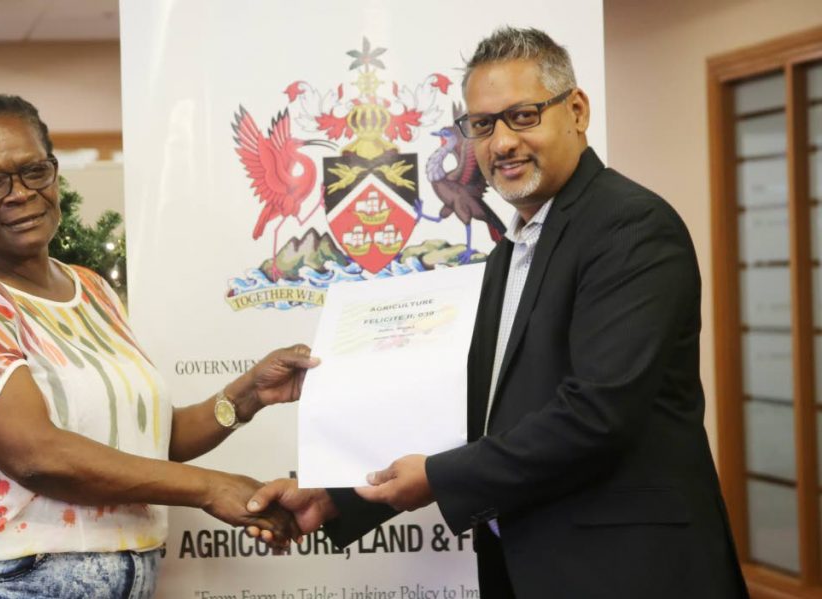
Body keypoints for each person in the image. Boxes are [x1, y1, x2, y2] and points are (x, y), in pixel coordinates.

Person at [248, 27, 749, 599]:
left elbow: (598, 412)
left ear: (577, 111)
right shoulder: (512, 250)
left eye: (523, 116)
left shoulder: (630, 226)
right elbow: (478, 409)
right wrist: (336, 497)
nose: (501, 142)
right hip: (530, 564)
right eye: (483, 125)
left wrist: (436, 476)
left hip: (630, 569)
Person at [0, 94, 315, 598]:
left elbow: (144, 444)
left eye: (33, 171)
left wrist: (247, 397)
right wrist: (211, 487)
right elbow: (36, 455)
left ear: (55, 173)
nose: (20, 193)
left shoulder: (92, 290)